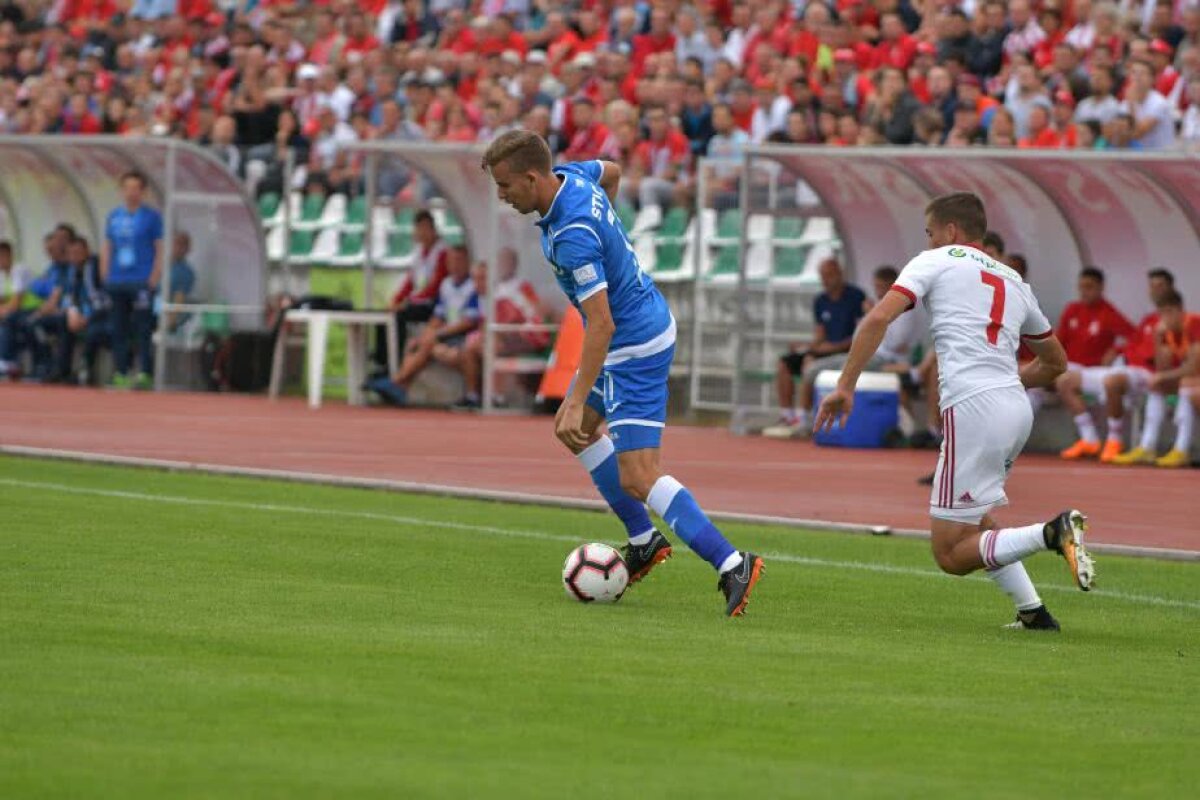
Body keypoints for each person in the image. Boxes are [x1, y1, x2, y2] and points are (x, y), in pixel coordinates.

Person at [481, 130, 763, 617]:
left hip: (634, 347)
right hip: (633, 330)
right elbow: (610, 170)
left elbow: (602, 324)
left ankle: (733, 562)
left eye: (506, 185)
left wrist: (575, 396)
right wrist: (614, 232)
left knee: (638, 474)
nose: (501, 196)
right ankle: (644, 541)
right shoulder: (573, 176)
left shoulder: (572, 235)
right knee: (577, 433)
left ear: (531, 177)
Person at [816, 192, 1095, 632]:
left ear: (950, 231)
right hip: (1015, 408)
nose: (927, 242)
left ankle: (1052, 532)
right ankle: (1033, 612)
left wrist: (845, 385)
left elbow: (875, 320)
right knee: (977, 521)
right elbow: (1055, 363)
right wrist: (1005, 382)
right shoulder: (1014, 280)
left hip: (972, 407)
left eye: (929, 233)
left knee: (949, 553)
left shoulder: (937, 259)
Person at [1061, 269, 1174, 461]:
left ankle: (1114, 439)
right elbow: (1132, 342)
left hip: (1149, 374)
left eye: (1160, 286)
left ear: (1171, 289)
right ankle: (1090, 440)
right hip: (1126, 369)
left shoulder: (1176, 321)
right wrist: (1118, 349)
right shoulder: (1148, 319)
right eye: (1152, 286)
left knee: (1112, 381)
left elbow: (1169, 358)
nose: (1155, 291)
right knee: (1065, 381)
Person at [763, 258, 867, 439]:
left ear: (839, 275)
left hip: (844, 352)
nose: (825, 280)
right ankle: (787, 415)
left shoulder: (856, 296)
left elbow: (861, 335)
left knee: (809, 364)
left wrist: (832, 347)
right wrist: (806, 346)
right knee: (784, 363)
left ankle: (805, 419)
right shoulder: (820, 301)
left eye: (828, 275)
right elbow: (820, 335)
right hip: (823, 350)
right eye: (822, 276)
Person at [366, 244, 481, 407]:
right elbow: (438, 316)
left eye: (459, 261)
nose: (454, 265)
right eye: (451, 261)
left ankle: (397, 382)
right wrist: (427, 333)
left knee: (427, 342)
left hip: (462, 336)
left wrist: (437, 334)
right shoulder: (446, 284)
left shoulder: (473, 286)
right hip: (447, 335)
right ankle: (400, 387)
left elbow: (469, 322)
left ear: (467, 263)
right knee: (417, 342)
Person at [1105, 289, 1200, 468]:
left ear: (1180, 310)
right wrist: (1157, 338)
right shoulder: (1169, 333)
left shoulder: (1194, 324)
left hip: (1194, 380)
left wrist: (1162, 376)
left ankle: (1182, 450)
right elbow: (1161, 366)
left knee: (1185, 386)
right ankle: (1147, 446)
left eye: (1169, 312)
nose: (1164, 318)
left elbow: (1192, 367)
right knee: (1157, 386)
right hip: (1193, 380)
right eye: (1161, 313)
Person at [101, 171, 163, 389]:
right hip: (117, 280)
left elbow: (159, 248)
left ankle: (145, 372)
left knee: (142, 328)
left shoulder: (151, 217)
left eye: (136, 188)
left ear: (143, 191)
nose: (131, 193)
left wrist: (154, 277)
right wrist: (105, 275)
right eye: (127, 188)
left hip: (141, 280)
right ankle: (121, 371)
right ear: (122, 190)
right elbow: (108, 247)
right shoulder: (114, 216)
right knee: (118, 329)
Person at [374, 210, 449, 372]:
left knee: (400, 316)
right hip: (418, 301)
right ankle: (381, 359)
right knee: (384, 315)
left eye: (424, 228)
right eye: (418, 229)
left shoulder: (442, 252)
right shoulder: (418, 253)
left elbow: (435, 286)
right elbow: (409, 282)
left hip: (433, 304)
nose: (421, 233)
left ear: (433, 229)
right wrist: (395, 301)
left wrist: (408, 302)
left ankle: (396, 361)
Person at [0, 240, 32, 377]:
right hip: (15, 314)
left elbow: (16, 303)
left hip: (31, 311)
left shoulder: (19, 270)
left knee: (9, 319)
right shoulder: (2, 275)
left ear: (8, 255)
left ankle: (7, 360)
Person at [157, 231, 196, 334]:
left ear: (188, 249)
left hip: (167, 320)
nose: (178, 248)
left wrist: (170, 323)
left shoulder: (185, 272)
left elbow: (179, 298)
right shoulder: (161, 267)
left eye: (182, 244)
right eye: (175, 243)